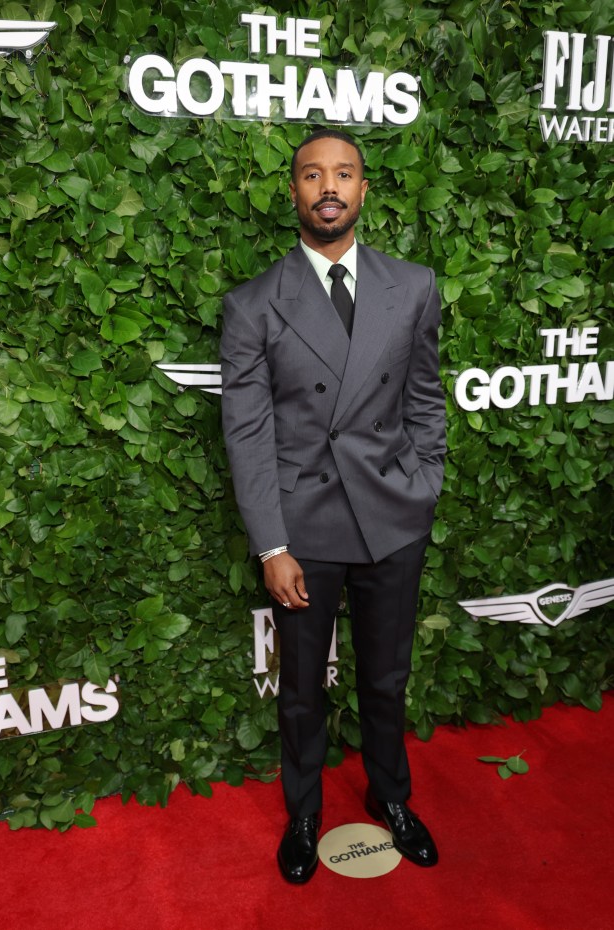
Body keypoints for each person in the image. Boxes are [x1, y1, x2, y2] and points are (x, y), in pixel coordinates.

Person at [220, 129, 446, 883]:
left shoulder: (412, 286)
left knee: (386, 677)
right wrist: (270, 545)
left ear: (363, 190)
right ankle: (306, 811)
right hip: (304, 528)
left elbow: (423, 400)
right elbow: (248, 434)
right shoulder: (253, 304)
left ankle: (392, 799)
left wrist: (424, 485)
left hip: (391, 518)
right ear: (293, 191)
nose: (328, 187)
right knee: (300, 688)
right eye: (312, 174)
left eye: (343, 174)